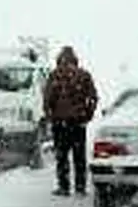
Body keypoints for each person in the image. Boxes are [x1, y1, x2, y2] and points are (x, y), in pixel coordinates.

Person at [42, 45, 99, 196]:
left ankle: (64, 187)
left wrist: (50, 117)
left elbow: (47, 99)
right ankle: (80, 188)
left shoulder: (55, 75)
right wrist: (87, 115)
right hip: (78, 123)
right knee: (79, 156)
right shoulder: (83, 75)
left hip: (60, 123)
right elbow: (93, 98)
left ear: (59, 59)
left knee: (62, 157)